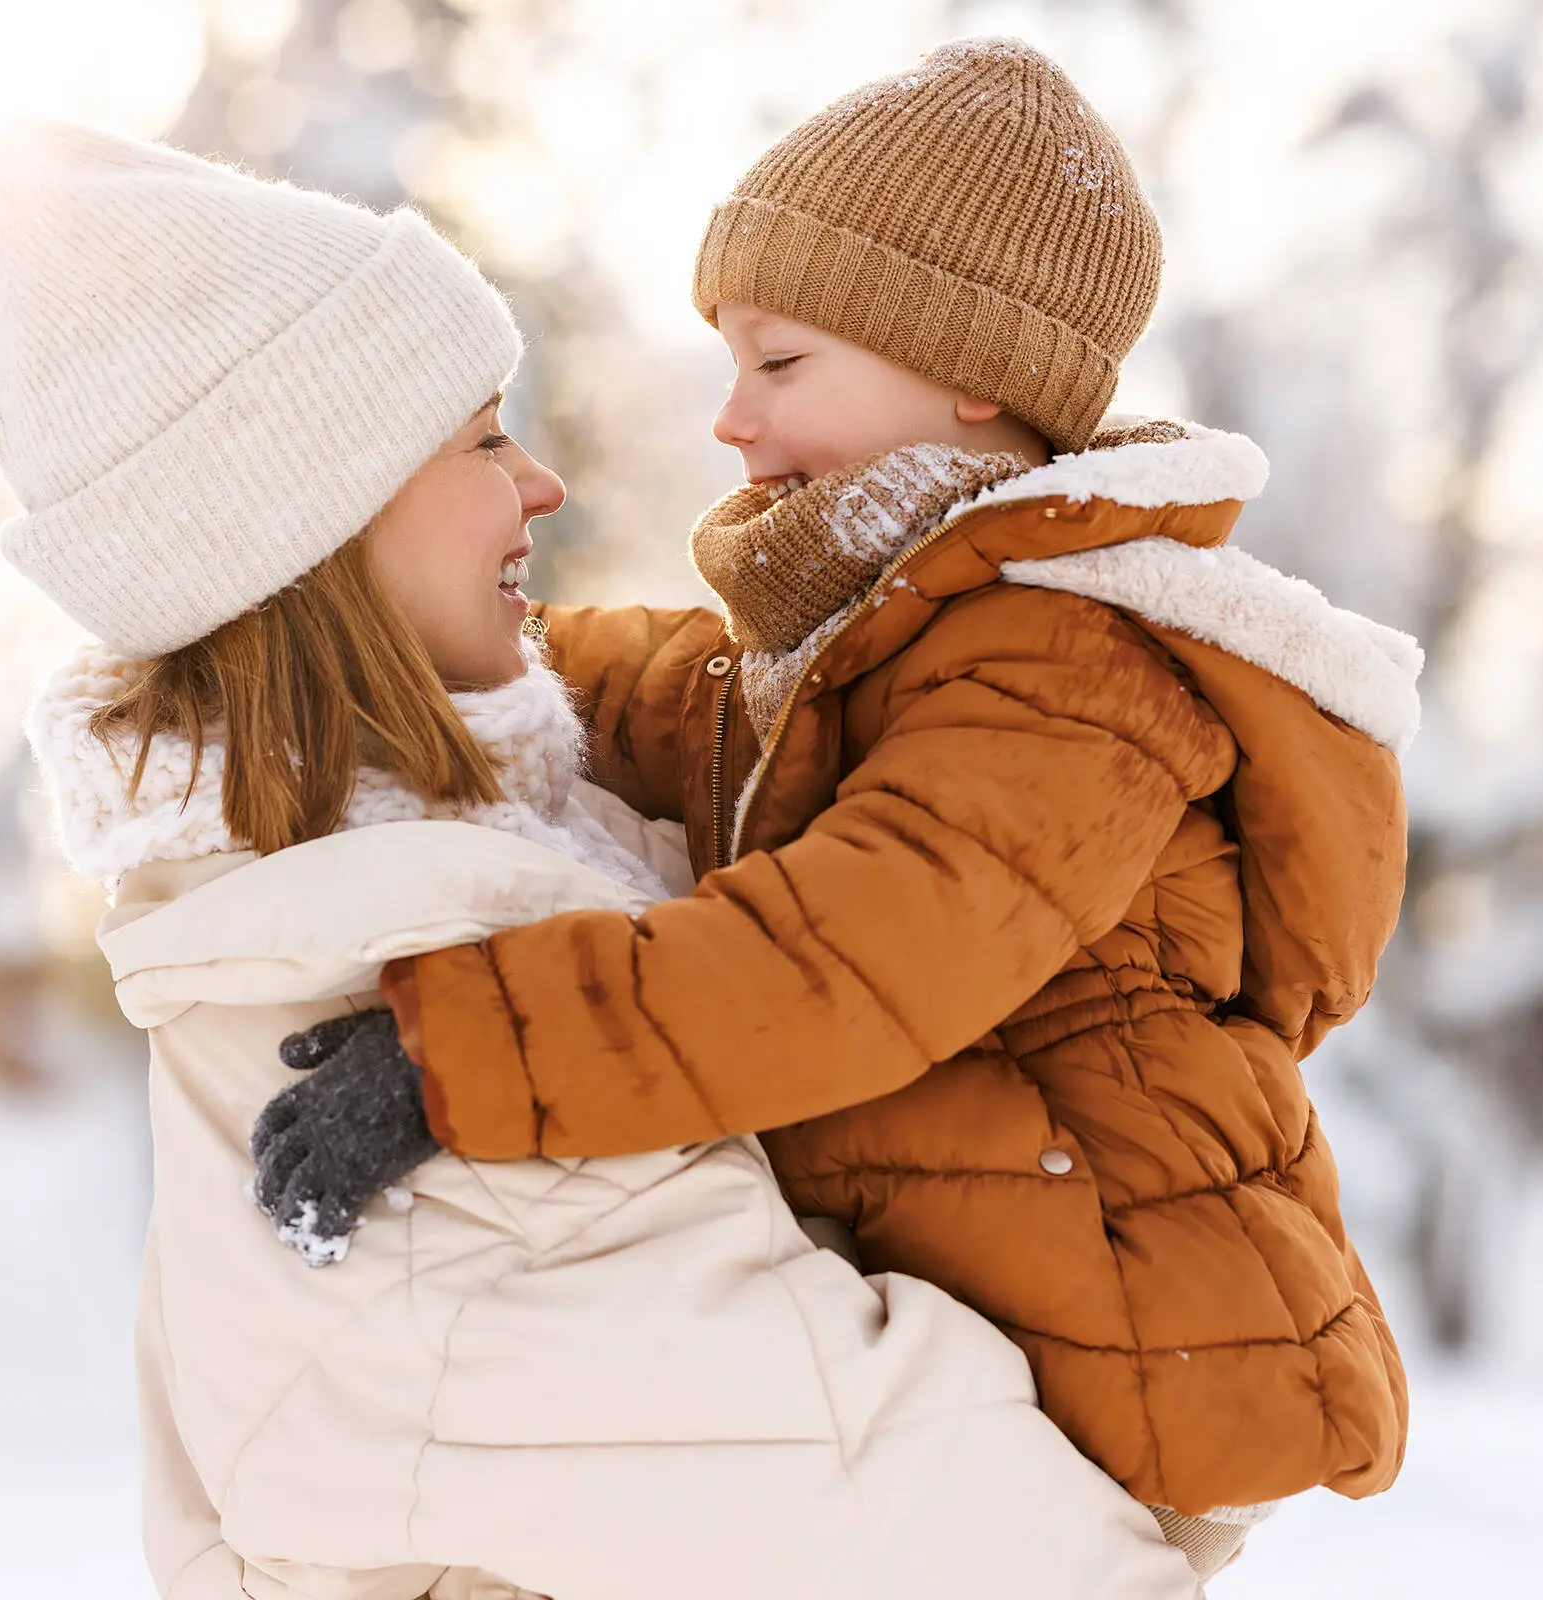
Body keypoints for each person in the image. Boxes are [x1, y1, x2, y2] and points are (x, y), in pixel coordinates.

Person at [0, 118, 1201, 1600]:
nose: (542, 482)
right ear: (326, 520)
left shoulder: (403, 892)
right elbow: (1016, 1553)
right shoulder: (409, 979)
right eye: (484, 438)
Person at [257, 39, 1420, 1581]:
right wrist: (397, 641)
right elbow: (653, 689)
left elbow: (846, 959)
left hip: (1125, 1364)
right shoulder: (865, 646)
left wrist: (457, 1049)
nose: (732, 420)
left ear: (972, 372)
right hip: (999, 1321)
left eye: (780, 363)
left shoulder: (1067, 669)